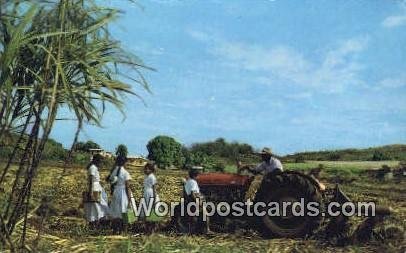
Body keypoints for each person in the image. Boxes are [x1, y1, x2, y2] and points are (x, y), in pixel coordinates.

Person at [108, 156, 135, 233]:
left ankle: (116, 230)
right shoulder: (125, 173)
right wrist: (129, 199)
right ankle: (124, 231)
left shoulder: (114, 171)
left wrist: (112, 192)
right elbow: (127, 187)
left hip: (116, 191)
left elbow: (111, 182)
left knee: (116, 212)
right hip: (123, 193)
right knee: (125, 212)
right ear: (124, 163)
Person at [184, 168, 212, 234]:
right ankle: (207, 230)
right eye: (198, 175)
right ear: (194, 176)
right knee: (206, 214)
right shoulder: (193, 182)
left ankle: (192, 230)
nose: (198, 177)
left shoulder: (188, 181)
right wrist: (198, 202)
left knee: (194, 216)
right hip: (194, 201)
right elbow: (193, 193)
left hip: (190, 200)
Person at [84, 154, 110, 226]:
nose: (101, 163)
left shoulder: (94, 167)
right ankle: (94, 223)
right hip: (94, 188)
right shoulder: (93, 168)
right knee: (96, 206)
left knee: (98, 206)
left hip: (96, 187)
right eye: (100, 161)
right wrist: (91, 192)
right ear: (96, 160)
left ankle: (96, 222)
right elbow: (91, 180)